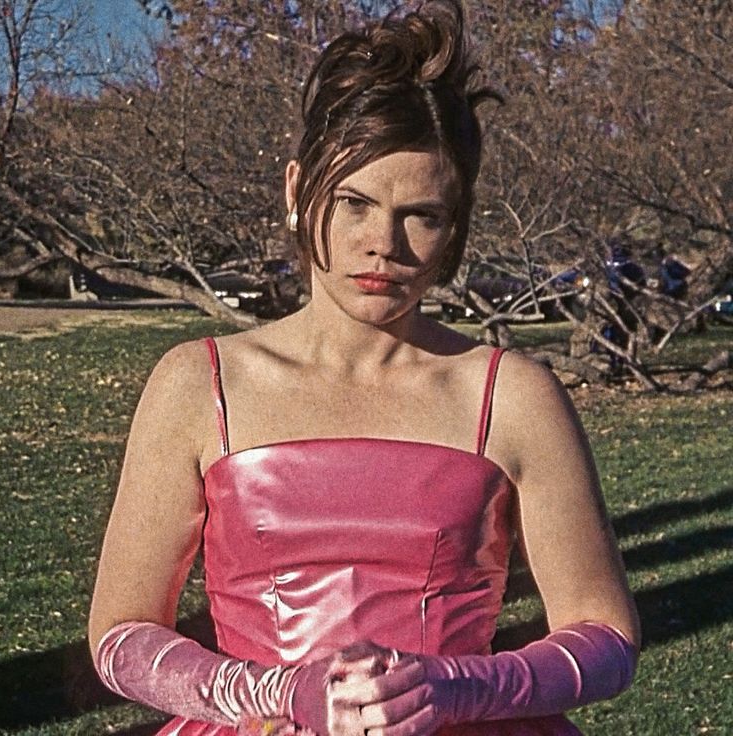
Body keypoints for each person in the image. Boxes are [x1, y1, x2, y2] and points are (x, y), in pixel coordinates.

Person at [89, 2, 640, 735]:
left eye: (423, 215)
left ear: (456, 226)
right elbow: (122, 635)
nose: (384, 244)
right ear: (295, 192)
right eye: (354, 202)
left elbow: (604, 638)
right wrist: (274, 695)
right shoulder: (200, 383)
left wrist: (454, 688)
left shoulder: (511, 394)